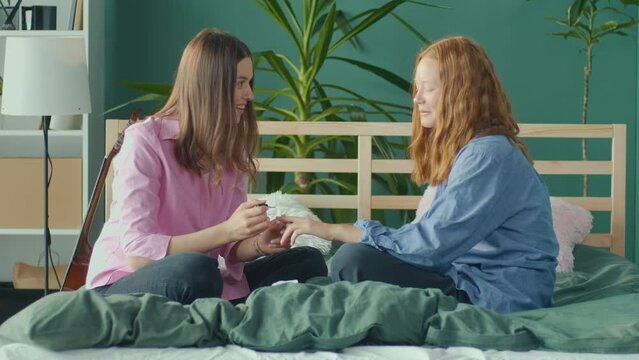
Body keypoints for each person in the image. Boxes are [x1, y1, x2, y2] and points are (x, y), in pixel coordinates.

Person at [278, 36, 558, 313]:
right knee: (350, 261)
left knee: (353, 260)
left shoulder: (487, 156)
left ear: (459, 92)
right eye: (417, 88)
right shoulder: (473, 151)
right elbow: (428, 241)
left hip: (498, 293)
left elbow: (430, 246)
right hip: (467, 278)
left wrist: (333, 230)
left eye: (428, 88)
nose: (417, 98)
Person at [86, 29, 327, 304]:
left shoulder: (230, 149)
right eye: (240, 83)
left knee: (309, 260)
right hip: (123, 283)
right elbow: (139, 254)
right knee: (199, 271)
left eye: (250, 83)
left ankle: (227, 309)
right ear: (210, 84)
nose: (249, 94)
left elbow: (227, 248)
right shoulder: (144, 141)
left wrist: (259, 243)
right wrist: (227, 230)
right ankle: (230, 309)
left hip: (200, 280)